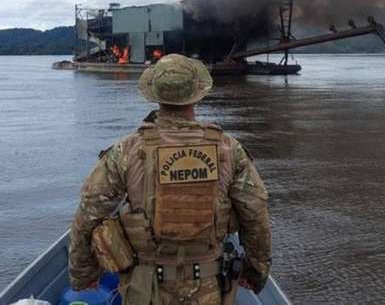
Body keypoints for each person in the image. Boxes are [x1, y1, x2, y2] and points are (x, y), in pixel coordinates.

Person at [68, 54, 272, 305]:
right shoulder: (229, 149)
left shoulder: (127, 150)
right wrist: (256, 272)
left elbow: (89, 214)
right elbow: (256, 214)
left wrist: (83, 274)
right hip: (210, 285)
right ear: (197, 94)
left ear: (154, 95)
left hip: (146, 289)